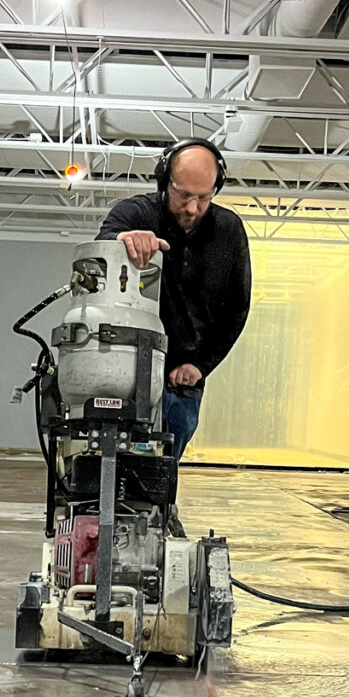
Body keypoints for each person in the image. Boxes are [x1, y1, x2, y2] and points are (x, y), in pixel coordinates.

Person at [96, 138, 252, 467]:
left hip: (183, 379)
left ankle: (164, 513)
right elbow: (103, 241)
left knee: (165, 465)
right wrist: (122, 239)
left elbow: (237, 308)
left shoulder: (229, 230)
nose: (192, 208)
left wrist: (201, 365)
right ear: (165, 180)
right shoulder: (136, 212)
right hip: (126, 370)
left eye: (203, 198)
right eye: (184, 195)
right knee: (113, 460)